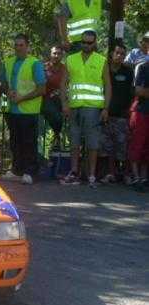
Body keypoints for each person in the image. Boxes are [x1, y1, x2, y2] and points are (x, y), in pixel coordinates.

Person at [60, 30, 112, 188]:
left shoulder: (101, 60)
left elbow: (108, 85)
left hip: (93, 108)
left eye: (90, 42)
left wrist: (105, 108)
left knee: (92, 143)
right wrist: (64, 104)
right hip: (74, 107)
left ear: (95, 43)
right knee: (74, 141)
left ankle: (91, 175)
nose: (86, 45)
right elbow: (63, 84)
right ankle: (74, 172)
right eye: (84, 42)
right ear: (80, 42)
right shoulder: (70, 59)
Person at [0, 34, 46, 185]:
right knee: (15, 142)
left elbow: (41, 89)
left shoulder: (35, 63)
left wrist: (22, 98)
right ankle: (16, 170)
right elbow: (3, 83)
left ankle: (30, 172)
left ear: (27, 46)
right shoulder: (7, 62)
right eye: (16, 45)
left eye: (21, 45)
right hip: (13, 110)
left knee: (29, 143)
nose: (18, 48)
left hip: (29, 111)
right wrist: (8, 92)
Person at [99, 43, 133, 184]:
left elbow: (131, 93)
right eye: (117, 53)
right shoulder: (104, 68)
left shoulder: (128, 71)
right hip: (105, 114)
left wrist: (129, 111)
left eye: (122, 54)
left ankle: (126, 174)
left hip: (122, 115)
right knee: (107, 147)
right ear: (111, 53)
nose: (119, 56)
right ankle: (110, 174)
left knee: (123, 146)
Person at [128, 61, 149, 192]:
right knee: (137, 145)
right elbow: (139, 91)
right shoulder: (142, 67)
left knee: (147, 147)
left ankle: (144, 177)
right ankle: (136, 177)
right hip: (141, 112)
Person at [42, 45, 66, 149]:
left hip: (61, 99)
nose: (56, 56)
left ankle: (59, 138)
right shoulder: (43, 68)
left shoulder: (65, 69)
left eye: (59, 53)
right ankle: (56, 135)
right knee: (54, 114)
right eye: (54, 53)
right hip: (46, 99)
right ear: (50, 54)